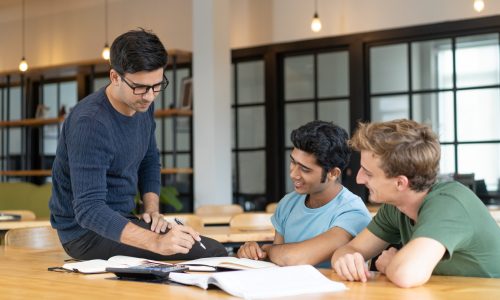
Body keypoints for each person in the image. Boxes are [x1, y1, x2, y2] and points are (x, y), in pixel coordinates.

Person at [49, 29, 227, 260]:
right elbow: (89, 210)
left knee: (208, 250)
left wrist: (151, 209)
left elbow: (149, 159)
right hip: (84, 235)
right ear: (114, 77)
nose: (150, 96)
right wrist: (156, 242)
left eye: (156, 86)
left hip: (124, 220)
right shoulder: (90, 122)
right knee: (210, 253)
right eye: (140, 87)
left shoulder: (142, 104)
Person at [332, 119, 500, 288]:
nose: (359, 179)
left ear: (400, 183)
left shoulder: (449, 204)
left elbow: (406, 275)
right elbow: (349, 249)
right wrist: (346, 259)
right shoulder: (395, 206)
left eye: (368, 173)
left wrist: (390, 263)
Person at [237, 120, 372, 267]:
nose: (293, 174)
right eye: (293, 162)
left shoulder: (353, 212)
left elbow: (293, 259)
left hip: (337, 290)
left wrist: (268, 249)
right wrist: (255, 253)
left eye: (305, 169)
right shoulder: (288, 203)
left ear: (333, 173)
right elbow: (278, 263)